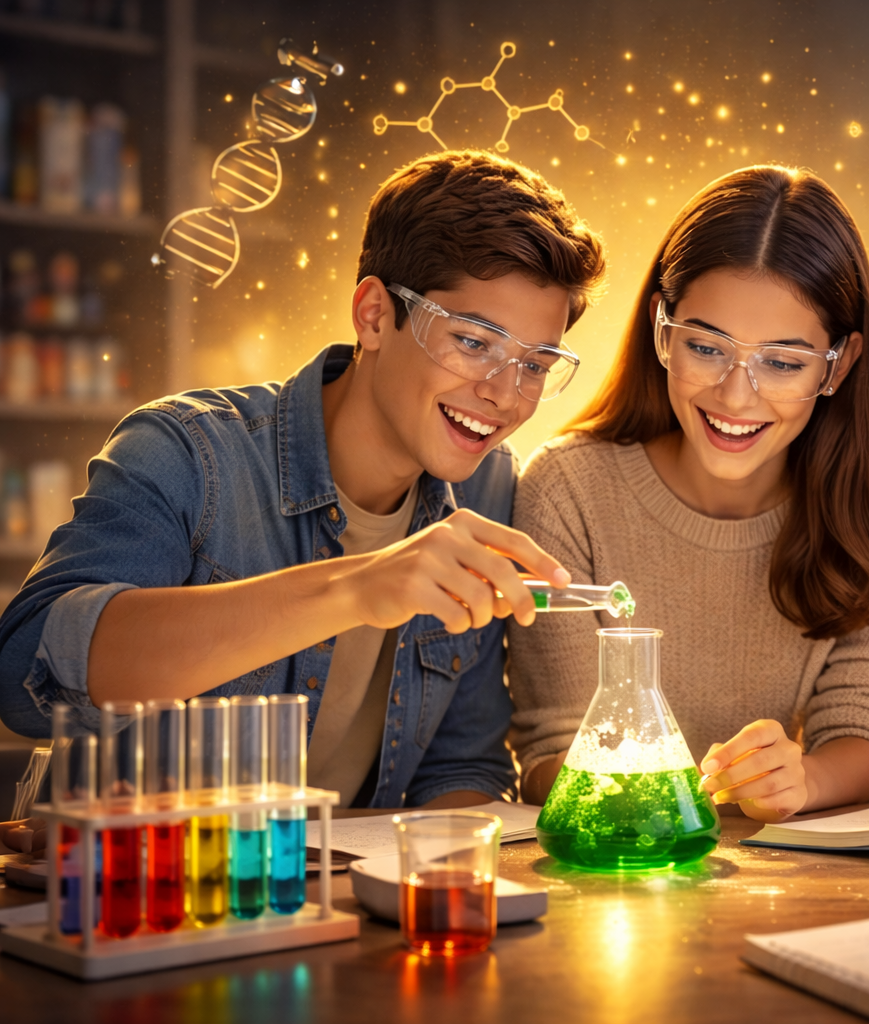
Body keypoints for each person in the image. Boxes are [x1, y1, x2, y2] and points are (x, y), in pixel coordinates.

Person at [0, 151, 605, 853]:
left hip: (319, 912)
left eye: (536, 365)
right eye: (474, 342)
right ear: (375, 316)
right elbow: (23, 677)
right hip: (132, 907)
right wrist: (355, 587)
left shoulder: (489, 486)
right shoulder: (187, 451)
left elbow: (458, 769)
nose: (505, 395)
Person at [509, 166, 869, 823]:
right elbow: (549, 753)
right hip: (617, 869)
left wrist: (803, 779)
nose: (736, 397)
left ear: (839, 365)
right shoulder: (567, 491)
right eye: (707, 347)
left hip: (789, 880)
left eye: (783, 362)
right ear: (662, 328)